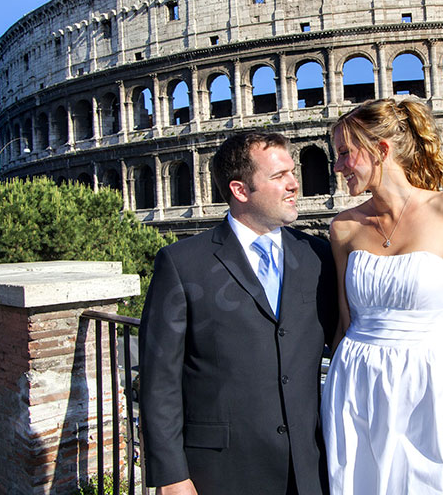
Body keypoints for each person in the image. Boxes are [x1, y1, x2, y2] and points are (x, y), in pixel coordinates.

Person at [321, 98, 443, 494]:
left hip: (429, 381)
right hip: (356, 381)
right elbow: (345, 321)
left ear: (381, 150)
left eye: (346, 153)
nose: (338, 166)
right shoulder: (342, 228)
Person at [138, 132, 338, 495]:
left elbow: (346, 340)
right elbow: (159, 379)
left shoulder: (318, 256)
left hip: (307, 466)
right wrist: (170, 476)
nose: (295, 184)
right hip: (219, 471)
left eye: (292, 172)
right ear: (240, 190)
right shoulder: (183, 263)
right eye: (279, 176)